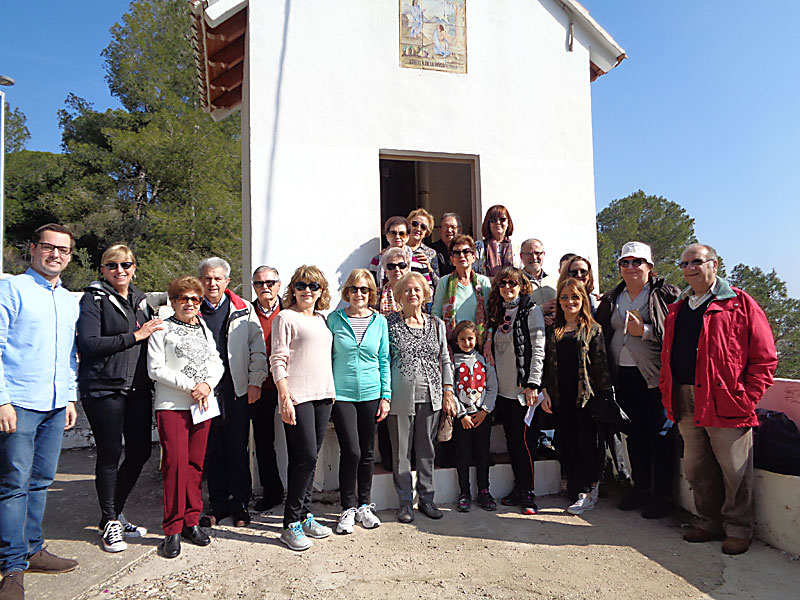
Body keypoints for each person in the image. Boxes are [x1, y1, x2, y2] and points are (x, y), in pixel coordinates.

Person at [659, 244, 777, 555]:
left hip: (724, 398)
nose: (689, 268)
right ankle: (709, 521)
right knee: (697, 467)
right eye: (683, 263)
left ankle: (738, 528)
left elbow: (765, 357)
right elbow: (668, 354)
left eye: (696, 262)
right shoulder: (679, 308)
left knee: (734, 469)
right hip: (684, 397)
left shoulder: (739, 303)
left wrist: (747, 397)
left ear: (714, 264)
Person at [0, 224, 80, 598]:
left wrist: (69, 397)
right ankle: (12, 565)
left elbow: (68, 356)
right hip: (19, 403)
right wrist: (1, 400)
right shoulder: (12, 289)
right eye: (49, 247)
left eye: (63, 250)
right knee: (13, 484)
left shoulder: (67, 300)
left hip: (53, 404)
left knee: (41, 481)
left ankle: (32, 549)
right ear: (33, 248)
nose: (56, 254)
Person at [77, 244, 164, 553]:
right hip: (104, 388)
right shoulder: (93, 299)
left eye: (125, 264)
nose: (120, 270)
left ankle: (114, 512)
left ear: (134, 267)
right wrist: (135, 337)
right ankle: (110, 519)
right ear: (103, 270)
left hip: (137, 389)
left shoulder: (141, 302)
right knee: (110, 453)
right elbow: (88, 344)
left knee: (140, 452)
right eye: (112, 266)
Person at [595, 242, 680, 519]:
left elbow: (674, 335)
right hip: (623, 375)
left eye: (637, 262)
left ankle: (662, 495)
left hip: (653, 376)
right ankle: (640, 487)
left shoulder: (663, 295)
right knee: (634, 434)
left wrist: (643, 331)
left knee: (659, 435)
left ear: (650, 267)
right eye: (625, 262)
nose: (631, 267)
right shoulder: (613, 298)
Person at [147, 276, 224, 559]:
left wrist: (206, 385)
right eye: (184, 298)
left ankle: (192, 521)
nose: (190, 303)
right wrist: (190, 386)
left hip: (202, 405)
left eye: (195, 298)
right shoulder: (162, 329)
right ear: (173, 301)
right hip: (172, 406)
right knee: (175, 466)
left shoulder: (202, 326)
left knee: (195, 465)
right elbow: (155, 369)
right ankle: (172, 529)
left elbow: (216, 362)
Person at [197, 257, 268, 528]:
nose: (212, 283)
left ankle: (240, 504)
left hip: (236, 389)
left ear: (227, 281)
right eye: (207, 278)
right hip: (205, 392)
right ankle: (217, 504)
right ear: (201, 280)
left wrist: (255, 382)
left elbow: (257, 348)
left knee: (238, 448)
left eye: (217, 278)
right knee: (212, 449)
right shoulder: (193, 309)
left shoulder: (243, 308)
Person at [270, 266, 336, 551]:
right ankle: (290, 524)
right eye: (301, 285)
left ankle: (306, 515)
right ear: (293, 289)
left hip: (322, 395)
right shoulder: (285, 317)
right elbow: (277, 359)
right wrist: (284, 396)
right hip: (297, 396)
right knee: (305, 458)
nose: (307, 290)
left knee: (311, 459)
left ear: (321, 290)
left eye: (314, 285)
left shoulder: (322, 320)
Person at [541, 278, 613, 516]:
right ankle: (574, 487)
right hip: (561, 396)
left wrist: (604, 396)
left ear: (582, 300)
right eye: (564, 297)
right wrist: (545, 391)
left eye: (574, 297)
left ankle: (588, 491)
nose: (569, 301)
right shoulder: (554, 331)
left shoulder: (593, 329)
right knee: (567, 443)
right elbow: (545, 366)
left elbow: (601, 367)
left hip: (585, 397)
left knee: (586, 444)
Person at [386, 272, 455, 523]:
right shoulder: (389, 323)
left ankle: (427, 499)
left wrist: (448, 390)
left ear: (426, 294)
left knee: (426, 450)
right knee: (401, 451)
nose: (412, 294)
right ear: (399, 296)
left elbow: (445, 359)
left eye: (417, 290)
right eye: (407, 290)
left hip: (432, 395)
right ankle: (405, 503)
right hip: (400, 396)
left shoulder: (437, 324)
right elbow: (384, 360)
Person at [328, 269, 391, 534]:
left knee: (366, 453)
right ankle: (347, 508)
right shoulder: (334, 319)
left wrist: (385, 396)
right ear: (347, 292)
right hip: (341, 394)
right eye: (354, 289)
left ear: (371, 293)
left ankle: (365, 505)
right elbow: (327, 356)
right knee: (351, 451)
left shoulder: (379, 321)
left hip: (371, 393)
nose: (359, 294)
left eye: (364, 290)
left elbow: (384, 360)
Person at [485, 267, 545, 515]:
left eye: (513, 283)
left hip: (523, 389)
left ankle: (529, 492)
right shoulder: (497, 313)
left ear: (521, 285)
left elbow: (539, 348)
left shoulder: (531, 310)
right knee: (512, 441)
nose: (507, 288)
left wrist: (533, 383)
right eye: (503, 284)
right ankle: (518, 487)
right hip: (503, 391)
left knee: (524, 443)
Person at [450, 321, 498, 513]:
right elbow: (451, 390)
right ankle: (464, 493)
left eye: (470, 338)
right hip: (463, 418)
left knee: (482, 454)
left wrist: (485, 411)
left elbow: (492, 387)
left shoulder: (484, 360)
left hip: (482, 416)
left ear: (476, 339)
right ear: (457, 340)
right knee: (462, 455)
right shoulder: (454, 362)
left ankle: (484, 491)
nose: (467, 342)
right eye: (462, 339)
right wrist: (462, 414)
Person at [249, 265, 285, 512]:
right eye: (260, 283)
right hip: (260, 386)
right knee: (263, 441)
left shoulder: (292, 310)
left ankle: (297, 492)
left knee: (297, 442)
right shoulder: (245, 312)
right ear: (254, 287)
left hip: (289, 385)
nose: (265, 288)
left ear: (279, 285)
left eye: (270, 283)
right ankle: (272, 491)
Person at [519, 238, 559, 457]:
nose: (534, 257)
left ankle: (549, 440)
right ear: (521, 256)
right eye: (529, 253)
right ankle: (534, 441)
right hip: (529, 347)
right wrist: (539, 312)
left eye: (538, 253)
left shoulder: (555, 280)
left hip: (553, 345)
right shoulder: (516, 282)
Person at [432, 234, 491, 341]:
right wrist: (445, 345)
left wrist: (488, 343)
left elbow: (490, 314)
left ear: (473, 257)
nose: (461, 255)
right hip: (452, 343)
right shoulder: (444, 282)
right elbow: (436, 315)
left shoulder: (483, 282)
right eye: (456, 253)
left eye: (466, 251)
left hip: (478, 342)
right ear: (452, 259)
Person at [474, 205, 519, 277]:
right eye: (493, 220)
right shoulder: (478, 247)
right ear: (488, 224)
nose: (498, 222)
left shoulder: (517, 248)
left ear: (508, 223)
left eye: (502, 219)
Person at [369, 216, 411, 288]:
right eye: (393, 233)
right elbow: (372, 286)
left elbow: (427, 286)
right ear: (387, 236)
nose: (397, 237)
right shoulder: (377, 260)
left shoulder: (418, 258)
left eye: (402, 234)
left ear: (407, 237)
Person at [406, 208, 440, 289]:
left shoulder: (431, 253)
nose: (418, 229)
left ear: (427, 232)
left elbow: (438, 283)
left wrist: (429, 267)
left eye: (423, 227)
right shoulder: (399, 249)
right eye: (415, 224)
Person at [376, 247, 410, 316]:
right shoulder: (377, 296)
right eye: (391, 266)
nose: (397, 269)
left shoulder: (415, 293)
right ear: (385, 272)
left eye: (401, 265)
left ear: (407, 269)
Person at [430, 213, 461, 277]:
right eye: (446, 227)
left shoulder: (464, 250)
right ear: (440, 229)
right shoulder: (431, 250)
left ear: (459, 229)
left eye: (453, 227)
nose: (449, 230)